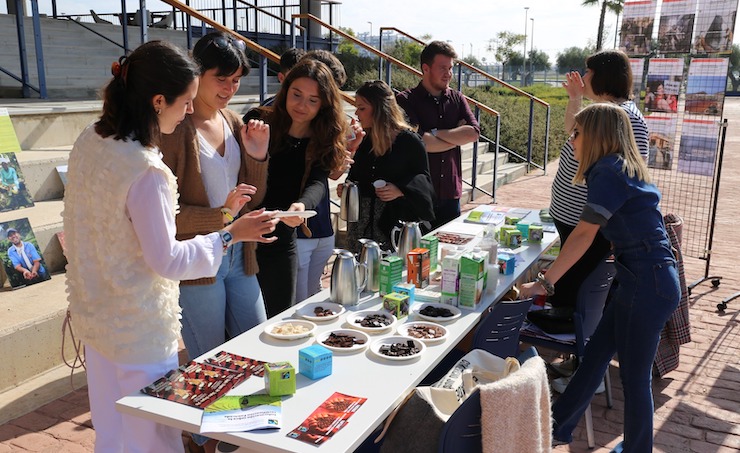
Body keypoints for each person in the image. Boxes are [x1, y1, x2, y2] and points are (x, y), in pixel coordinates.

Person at [63, 40, 278, 453]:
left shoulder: (91, 139)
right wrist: (231, 233)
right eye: (184, 104)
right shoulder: (147, 170)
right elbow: (168, 259)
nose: (186, 115)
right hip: (137, 324)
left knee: (112, 428)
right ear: (158, 100)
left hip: (96, 310)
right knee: (152, 435)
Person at [521, 103, 680, 452]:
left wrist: (543, 283)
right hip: (643, 279)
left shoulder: (606, 171)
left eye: (577, 134)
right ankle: (556, 429)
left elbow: (583, 235)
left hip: (646, 283)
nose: (572, 140)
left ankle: (637, 449)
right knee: (594, 357)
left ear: (596, 136)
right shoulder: (621, 166)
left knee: (634, 378)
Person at [158, 32, 270, 451]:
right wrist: (221, 218)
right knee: (210, 358)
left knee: (256, 339)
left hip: (239, 252)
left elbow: (249, 198)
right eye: (221, 78)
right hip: (197, 258)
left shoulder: (235, 122)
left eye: (237, 80)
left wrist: (257, 158)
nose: (229, 89)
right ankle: (204, 436)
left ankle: (235, 432)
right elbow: (165, 213)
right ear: (196, 73)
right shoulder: (174, 127)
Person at [548, 49, 649, 312]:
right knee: (570, 286)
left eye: (589, 72)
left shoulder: (624, 117)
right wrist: (575, 99)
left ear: (603, 77)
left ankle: (575, 340)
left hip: (588, 226)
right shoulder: (606, 111)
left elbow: (629, 176)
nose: (583, 77)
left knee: (575, 293)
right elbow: (574, 129)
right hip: (573, 219)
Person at [255, 58, 348, 317]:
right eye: (296, 95)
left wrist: (303, 206)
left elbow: (318, 180)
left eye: (312, 100)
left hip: (282, 238)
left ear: (323, 105)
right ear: (285, 91)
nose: (302, 105)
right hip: (247, 234)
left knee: (280, 316)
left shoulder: (322, 136)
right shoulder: (259, 120)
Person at [293, 49, 363, 303]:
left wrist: (349, 147)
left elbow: (329, 175)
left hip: (321, 224)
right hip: (294, 227)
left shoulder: (325, 121)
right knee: (295, 306)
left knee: (313, 299)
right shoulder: (279, 116)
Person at [341, 80, 435, 254]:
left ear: (378, 109)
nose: (356, 113)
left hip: (391, 225)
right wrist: (346, 188)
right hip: (360, 226)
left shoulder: (409, 141)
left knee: (389, 276)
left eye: (362, 108)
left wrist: (401, 189)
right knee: (360, 276)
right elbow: (355, 176)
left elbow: (424, 182)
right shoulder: (366, 140)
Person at [396, 40, 480, 229]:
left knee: (449, 252)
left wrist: (435, 133)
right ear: (426, 68)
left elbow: (473, 133)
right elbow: (421, 143)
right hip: (419, 193)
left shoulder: (457, 99)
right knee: (417, 255)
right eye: (443, 68)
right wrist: (455, 137)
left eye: (450, 68)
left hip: (451, 193)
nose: (448, 73)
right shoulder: (405, 100)